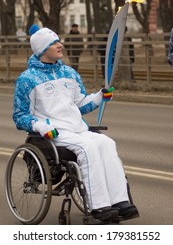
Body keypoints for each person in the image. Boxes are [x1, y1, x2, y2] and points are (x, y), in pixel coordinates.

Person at [13, 24, 139, 223]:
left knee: (107, 143)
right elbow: (20, 116)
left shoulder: (70, 73)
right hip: (54, 133)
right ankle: (99, 206)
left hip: (77, 128)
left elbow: (80, 105)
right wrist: (41, 126)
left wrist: (99, 97)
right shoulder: (27, 80)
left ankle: (120, 201)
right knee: (87, 147)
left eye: (58, 41)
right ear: (42, 49)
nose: (60, 45)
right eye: (54, 42)